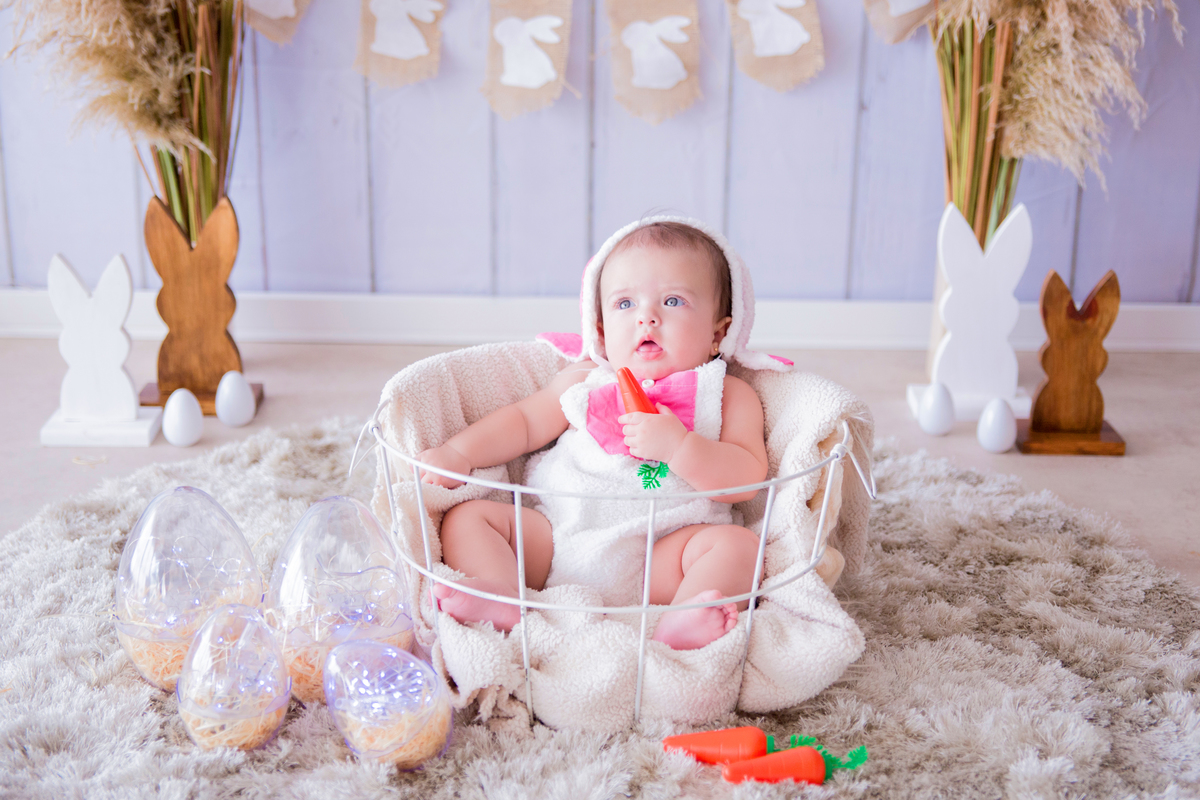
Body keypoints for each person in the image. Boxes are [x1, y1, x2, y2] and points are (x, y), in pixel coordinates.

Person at [416, 221, 838, 650]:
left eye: (673, 301)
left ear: (716, 333)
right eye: (625, 303)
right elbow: (524, 422)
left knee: (739, 547)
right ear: (599, 330)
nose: (647, 317)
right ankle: (499, 594)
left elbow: (746, 479)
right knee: (469, 517)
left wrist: (680, 446)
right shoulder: (584, 379)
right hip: (559, 536)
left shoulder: (727, 393)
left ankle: (684, 620)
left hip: (664, 555)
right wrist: (459, 452)